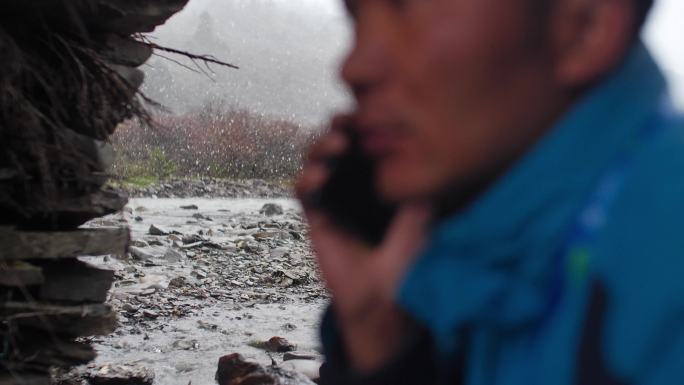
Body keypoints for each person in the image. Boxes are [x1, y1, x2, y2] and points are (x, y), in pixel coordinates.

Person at [296, 0, 684, 384]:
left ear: (586, 26)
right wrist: (383, 345)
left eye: (405, 8)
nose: (353, 68)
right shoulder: (485, 256)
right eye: (355, 16)